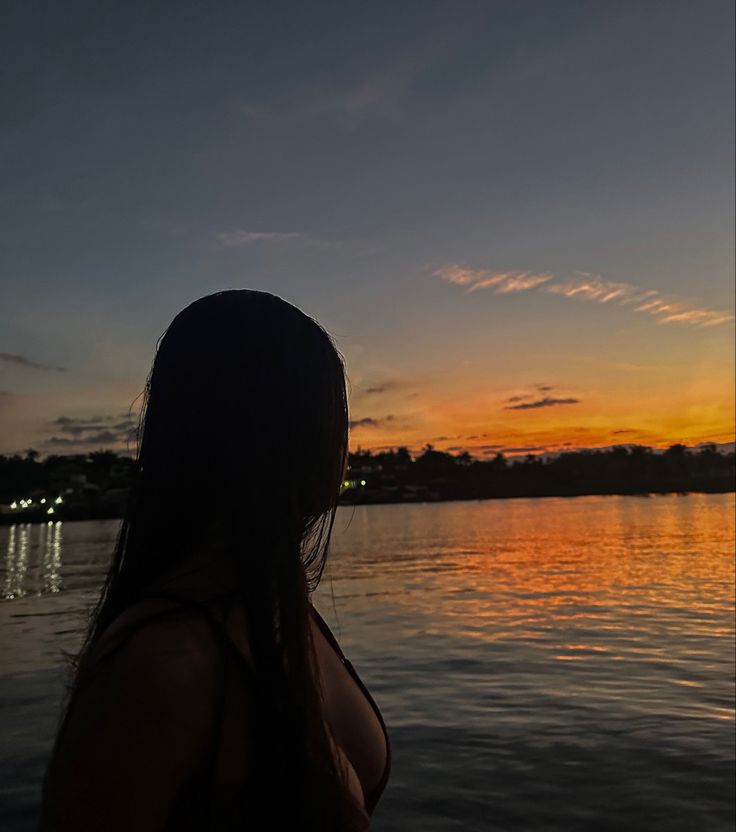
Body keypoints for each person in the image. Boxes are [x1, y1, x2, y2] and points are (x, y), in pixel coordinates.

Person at [40, 290, 391, 831]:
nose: (344, 441)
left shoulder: (283, 606)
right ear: (268, 431)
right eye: (330, 413)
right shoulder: (160, 666)